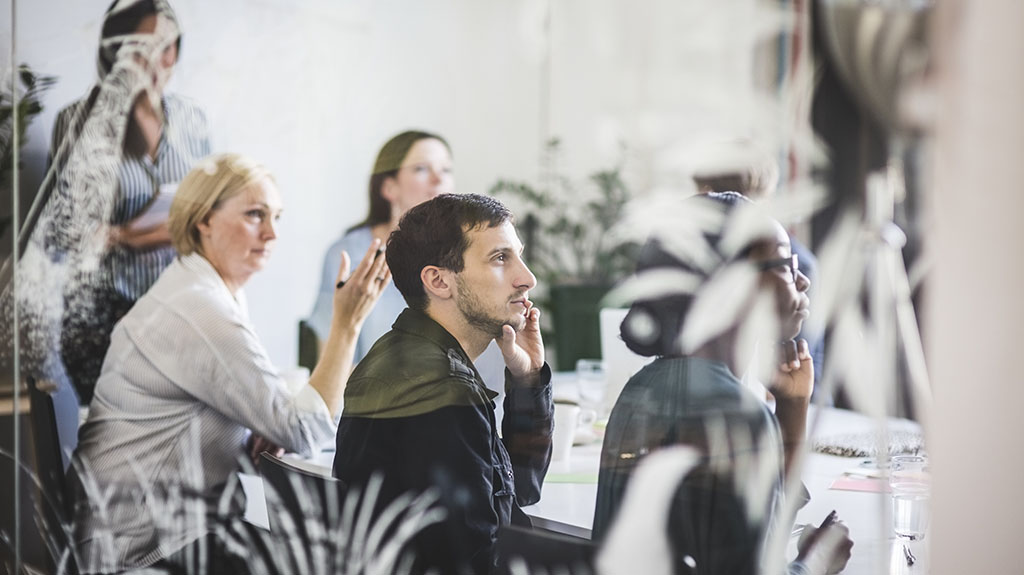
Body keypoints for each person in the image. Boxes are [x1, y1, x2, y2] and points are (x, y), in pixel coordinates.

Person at [70, 153, 390, 573]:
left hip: (155, 535)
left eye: (277, 216)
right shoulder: (201, 309)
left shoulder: (202, 288)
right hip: (141, 554)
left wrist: (259, 423)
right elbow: (304, 431)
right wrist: (346, 324)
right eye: (255, 214)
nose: (272, 233)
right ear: (204, 219)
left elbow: (275, 419)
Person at [592, 192, 852, 575]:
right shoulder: (733, 413)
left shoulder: (641, 390)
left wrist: (792, 407)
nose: (803, 279)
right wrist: (816, 561)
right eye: (786, 264)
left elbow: (754, 538)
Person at [332, 193, 554, 575]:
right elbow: (475, 565)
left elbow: (516, 491)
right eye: (500, 258)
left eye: (518, 255)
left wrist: (528, 379)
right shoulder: (442, 390)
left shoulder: (399, 356)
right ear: (438, 281)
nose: (527, 278)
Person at [49, 0, 211, 404]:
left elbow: (208, 210)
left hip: (177, 311)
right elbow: (65, 229)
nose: (158, 61)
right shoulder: (79, 121)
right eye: (142, 48)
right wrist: (123, 236)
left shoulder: (192, 119)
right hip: (106, 319)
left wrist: (142, 233)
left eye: (167, 47)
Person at [308, 130, 453, 361]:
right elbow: (333, 363)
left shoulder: (461, 254)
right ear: (389, 188)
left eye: (446, 169)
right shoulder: (349, 255)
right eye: (421, 169)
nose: (439, 180)